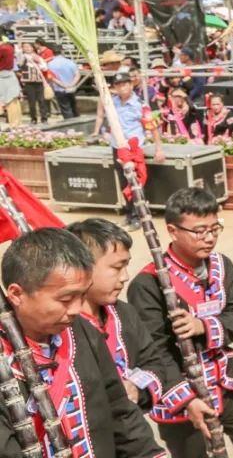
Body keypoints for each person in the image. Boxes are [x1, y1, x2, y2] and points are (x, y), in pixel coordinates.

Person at [0, 228, 166, 457]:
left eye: (82, 296)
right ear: (17, 294)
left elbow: (120, 412)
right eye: (66, 299)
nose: (77, 309)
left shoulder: (82, 332)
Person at [127, 188, 233, 457]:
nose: (210, 238)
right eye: (200, 231)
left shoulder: (222, 265)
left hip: (224, 378)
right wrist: (187, 400)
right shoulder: (148, 284)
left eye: (215, 229)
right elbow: (153, 352)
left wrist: (203, 327)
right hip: (179, 390)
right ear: (173, 230)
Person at [66, 218, 216, 424]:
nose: (125, 277)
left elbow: (153, 363)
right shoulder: (62, 329)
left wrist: (136, 388)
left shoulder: (125, 314)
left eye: (126, 266)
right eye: (117, 267)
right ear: (81, 268)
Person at [93, 68, 166, 231]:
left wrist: (158, 149)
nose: (122, 88)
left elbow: (153, 128)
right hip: (117, 147)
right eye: (118, 85)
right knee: (123, 182)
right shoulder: (112, 103)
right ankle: (129, 213)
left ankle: (137, 217)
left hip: (133, 150)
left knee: (135, 182)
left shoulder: (141, 105)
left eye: (125, 84)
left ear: (131, 85)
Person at [19, 42, 48, 124]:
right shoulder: (22, 57)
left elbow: (45, 68)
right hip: (29, 82)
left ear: (32, 48)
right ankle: (33, 118)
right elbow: (20, 63)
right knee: (31, 102)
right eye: (25, 47)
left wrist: (38, 62)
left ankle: (44, 118)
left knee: (41, 100)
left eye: (28, 47)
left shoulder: (38, 57)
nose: (27, 48)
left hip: (39, 82)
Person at [47, 45, 80, 118]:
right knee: (74, 107)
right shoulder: (70, 62)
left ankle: (70, 125)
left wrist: (63, 85)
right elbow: (77, 75)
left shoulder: (50, 64)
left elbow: (51, 78)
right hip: (71, 88)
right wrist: (71, 84)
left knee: (65, 109)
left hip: (59, 89)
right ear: (62, 51)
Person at [0, 41, 23, 126]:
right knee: (13, 101)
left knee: (11, 102)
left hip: (4, 76)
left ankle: (15, 124)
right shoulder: (8, 47)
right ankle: (15, 124)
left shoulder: (3, 48)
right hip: (8, 75)